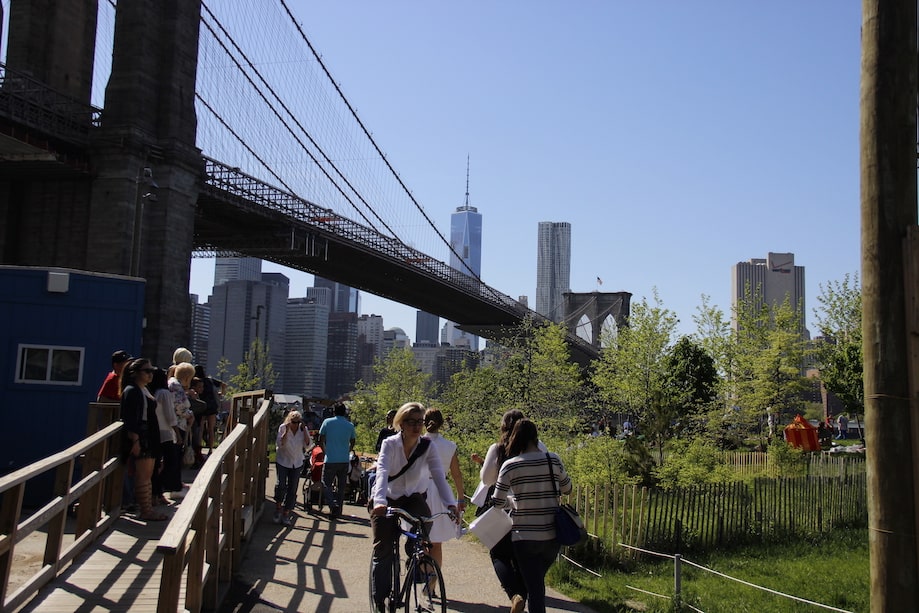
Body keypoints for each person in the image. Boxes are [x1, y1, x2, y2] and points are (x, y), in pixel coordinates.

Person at [369, 402, 459, 613]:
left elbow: (439, 477)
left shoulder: (427, 446)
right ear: (400, 423)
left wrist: (451, 505)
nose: (417, 427)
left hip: (414, 497)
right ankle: (380, 599)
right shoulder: (390, 444)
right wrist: (380, 501)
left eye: (420, 422)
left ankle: (415, 555)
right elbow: (381, 472)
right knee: (383, 549)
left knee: (424, 524)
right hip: (388, 496)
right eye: (411, 422)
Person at [492, 419, 572, 613]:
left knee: (535, 589)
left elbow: (497, 502)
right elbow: (567, 488)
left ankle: (517, 596)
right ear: (536, 437)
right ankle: (519, 595)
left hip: (524, 535)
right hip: (552, 535)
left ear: (515, 438)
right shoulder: (552, 459)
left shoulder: (510, 465)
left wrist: (513, 500)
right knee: (535, 582)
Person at [474, 409, 548, 613]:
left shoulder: (497, 449)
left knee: (498, 553)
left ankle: (515, 594)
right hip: (536, 512)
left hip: (506, 510)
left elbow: (487, 479)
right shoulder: (539, 447)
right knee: (524, 558)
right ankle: (524, 595)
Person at [119, 358, 167, 521]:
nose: (150, 374)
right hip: (142, 435)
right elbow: (131, 418)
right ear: (135, 373)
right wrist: (135, 440)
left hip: (149, 435)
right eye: (147, 371)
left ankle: (147, 509)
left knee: (147, 475)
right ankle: (145, 510)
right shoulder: (132, 391)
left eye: (151, 371)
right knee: (143, 476)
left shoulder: (143, 390)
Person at [422, 407, 466, 587]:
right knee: (437, 542)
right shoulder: (449, 446)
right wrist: (460, 499)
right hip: (442, 492)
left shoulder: (418, 442)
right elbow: (457, 475)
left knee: (421, 539)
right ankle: (434, 579)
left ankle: (426, 573)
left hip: (421, 490)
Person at [318, 402, 356, 517]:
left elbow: (320, 439)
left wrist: (325, 451)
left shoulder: (327, 422)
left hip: (330, 459)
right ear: (345, 412)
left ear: (333, 411)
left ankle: (332, 504)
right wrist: (348, 450)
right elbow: (353, 441)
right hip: (344, 459)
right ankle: (338, 510)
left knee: (326, 484)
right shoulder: (350, 425)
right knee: (341, 486)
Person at [274, 410, 311, 526]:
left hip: (297, 461)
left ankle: (286, 512)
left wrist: (304, 430)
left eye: (297, 422)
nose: (295, 424)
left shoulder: (302, 430)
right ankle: (278, 507)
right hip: (283, 460)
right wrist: (286, 430)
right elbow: (280, 444)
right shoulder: (282, 428)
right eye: (293, 422)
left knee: (292, 487)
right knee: (281, 485)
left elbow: (308, 445)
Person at [151, 367, 181, 502]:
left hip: (156, 431)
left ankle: (156, 493)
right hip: (166, 432)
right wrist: (177, 433)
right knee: (170, 463)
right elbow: (170, 415)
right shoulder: (164, 393)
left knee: (156, 464)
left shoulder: (153, 392)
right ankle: (160, 491)